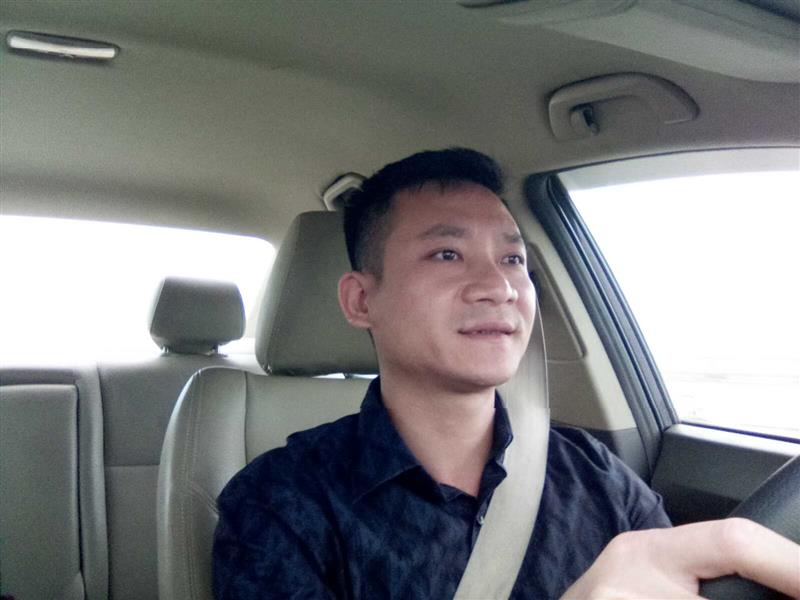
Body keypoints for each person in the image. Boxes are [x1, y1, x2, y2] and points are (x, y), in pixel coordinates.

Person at [213, 148, 799, 599]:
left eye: (513, 258)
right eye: (447, 254)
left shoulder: (594, 475)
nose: (498, 286)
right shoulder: (280, 502)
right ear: (362, 300)